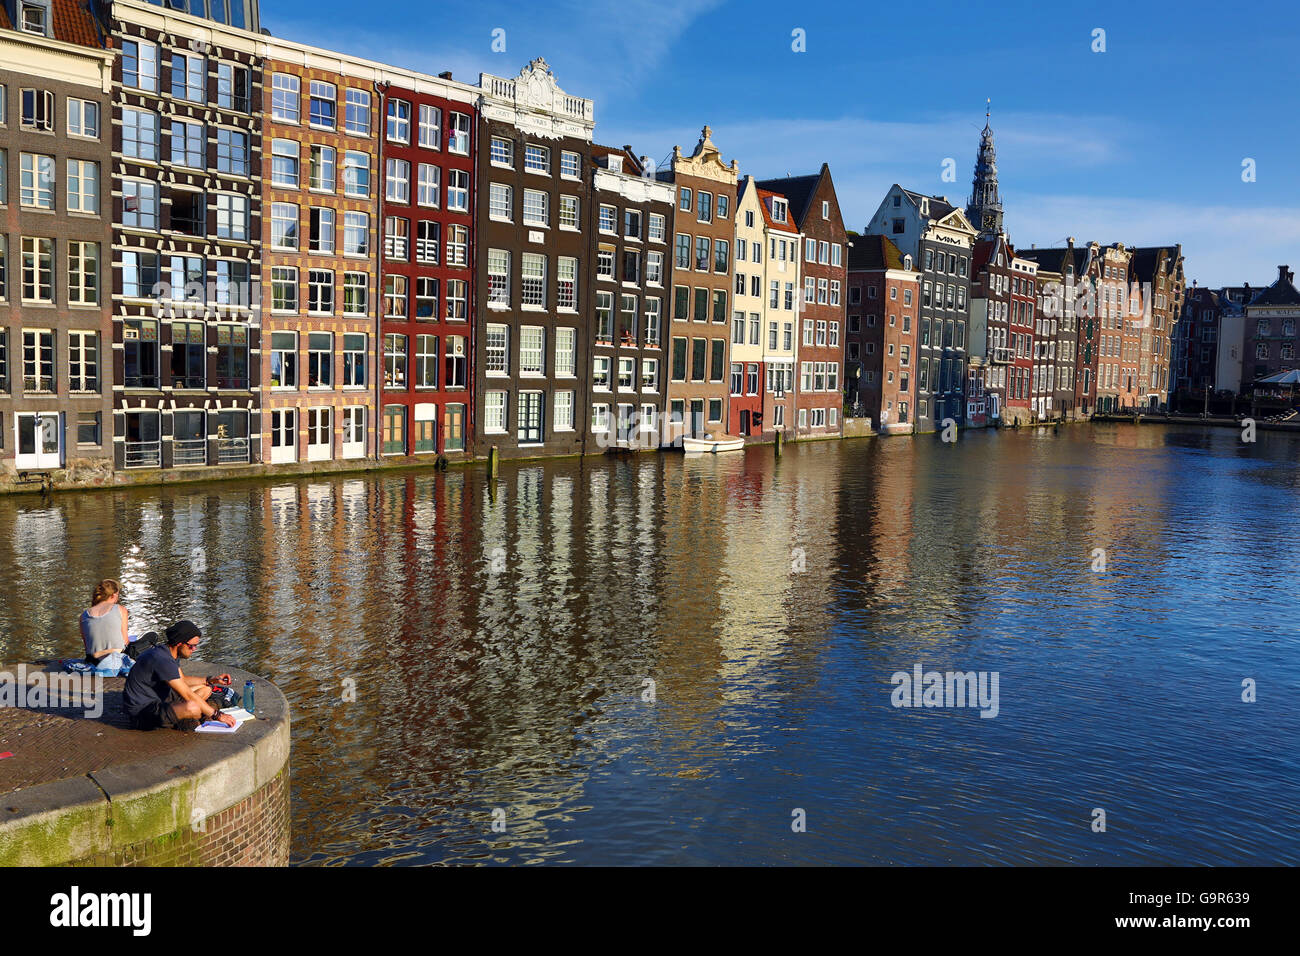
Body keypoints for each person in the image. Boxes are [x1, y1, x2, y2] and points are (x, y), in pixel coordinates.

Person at [122, 621, 236, 731]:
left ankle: (185, 715)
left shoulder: (168, 653)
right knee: (193, 707)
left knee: (206, 689)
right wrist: (217, 715)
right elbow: (187, 694)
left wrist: (210, 680)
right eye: (192, 646)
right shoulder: (162, 660)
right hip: (143, 712)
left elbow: (183, 680)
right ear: (179, 643)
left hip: (160, 699)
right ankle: (183, 720)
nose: (194, 649)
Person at [80, 579, 132, 677]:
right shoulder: (121, 610)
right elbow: (125, 641)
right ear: (114, 595)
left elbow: (87, 644)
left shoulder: (84, 615)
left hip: (94, 660)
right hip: (115, 659)